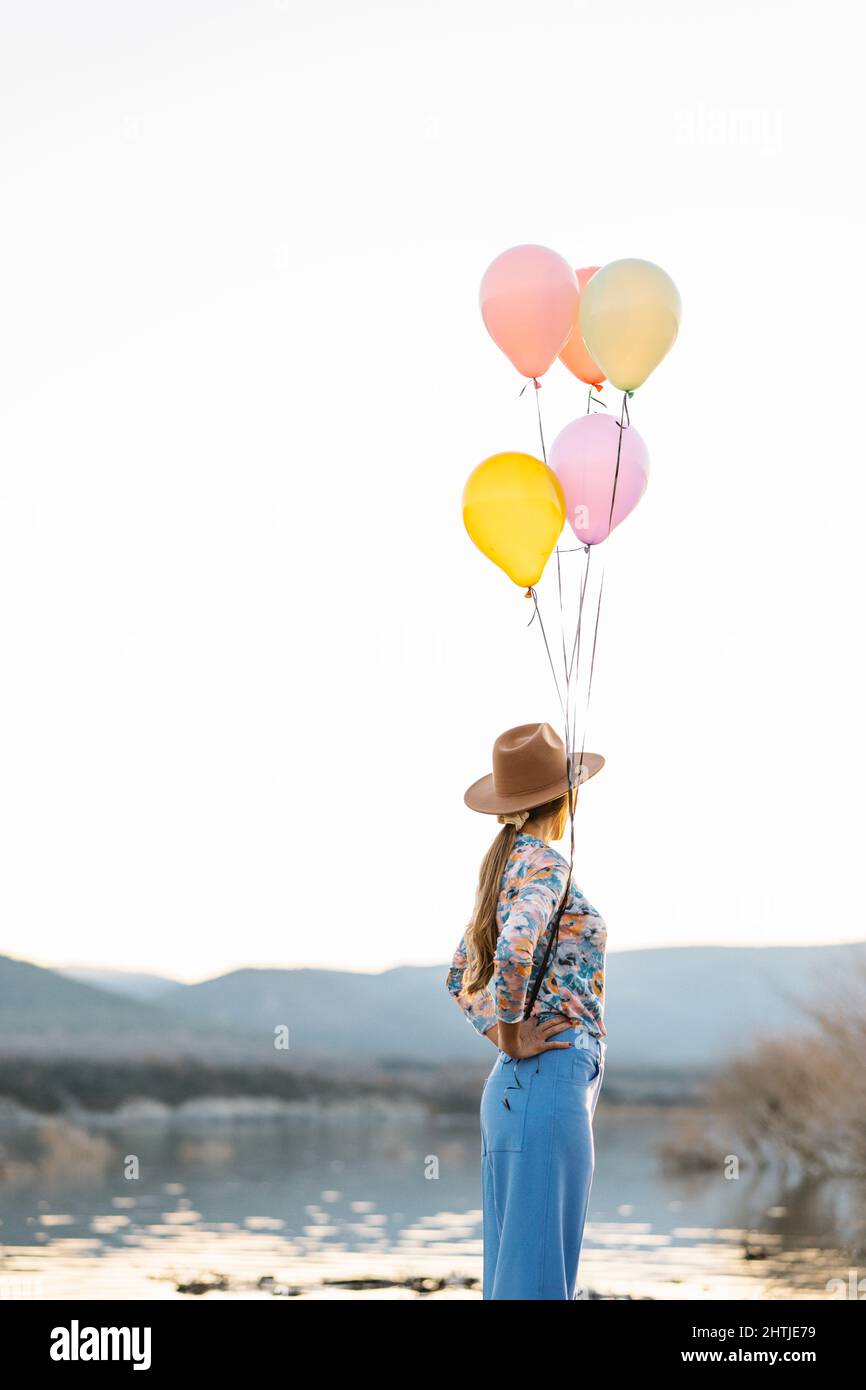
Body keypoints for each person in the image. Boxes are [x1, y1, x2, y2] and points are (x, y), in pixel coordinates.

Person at [446, 720, 607, 1301]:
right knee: (539, 1285)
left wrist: (500, 1034)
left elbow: (457, 976)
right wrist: (511, 1035)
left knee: (517, 1284)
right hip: (546, 1078)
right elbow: (513, 950)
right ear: (565, 797)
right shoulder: (544, 863)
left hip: (519, 1090)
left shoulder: (503, 869)